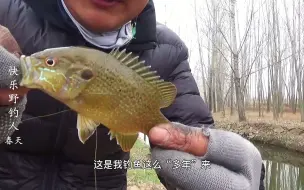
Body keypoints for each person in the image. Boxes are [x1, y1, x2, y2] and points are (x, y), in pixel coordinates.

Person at [0, 0, 265, 189]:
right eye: (49, 64)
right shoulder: (5, 13)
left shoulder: (168, 53)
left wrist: (240, 177)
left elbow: (199, 145)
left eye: (50, 64)